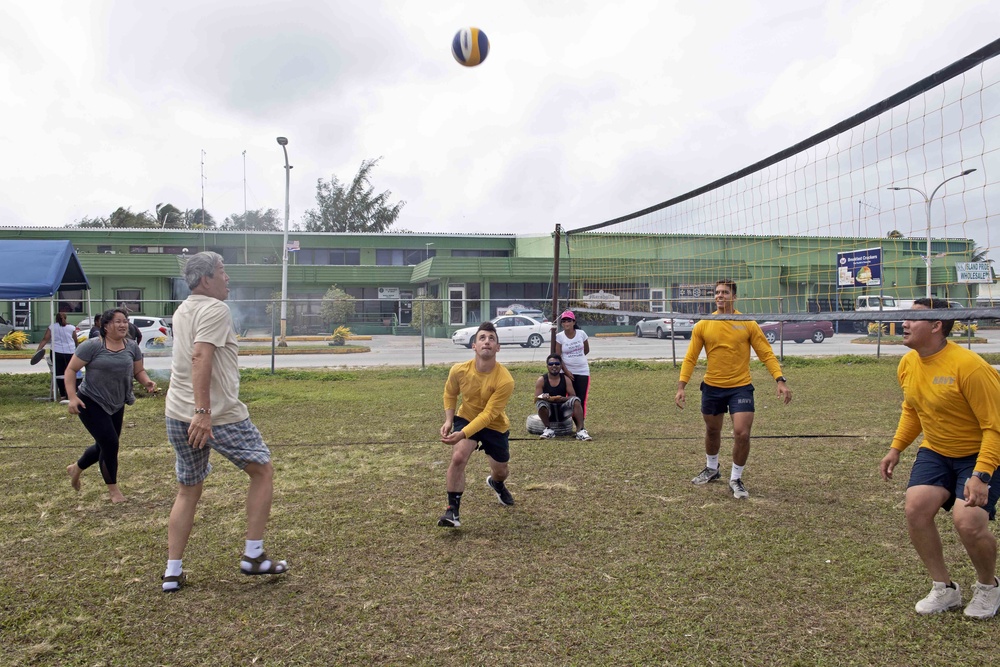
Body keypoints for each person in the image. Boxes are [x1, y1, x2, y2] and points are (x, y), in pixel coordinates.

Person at [161, 252, 288, 592]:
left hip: (176, 412)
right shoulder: (215, 309)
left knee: (188, 490)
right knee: (262, 470)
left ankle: (173, 572)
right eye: (222, 271)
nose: (228, 277)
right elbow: (201, 355)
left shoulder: (183, 309)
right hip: (214, 415)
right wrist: (203, 413)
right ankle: (253, 555)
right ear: (205, 280)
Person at [878, 298, 1000, 619]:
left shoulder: (970, 367)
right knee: (915, 509)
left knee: (968, 522)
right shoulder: (908, 364)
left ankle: (988, 587)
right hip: (936, 450)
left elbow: (995, 426)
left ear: (937, 326)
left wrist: (981, 475)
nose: (904, 323)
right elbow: (912, 409)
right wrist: (896, 448)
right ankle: (944, 589)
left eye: (914, 319)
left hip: (979, 453)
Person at [675, 279, 791, 499]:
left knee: (742, 433)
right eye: (717, 292)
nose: (720, 296)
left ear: (734, 297)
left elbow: (765, 353)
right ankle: (712, 468)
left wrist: (780, 380)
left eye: (725, 292)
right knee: (712, 431)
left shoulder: (747, 323)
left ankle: (736, 478)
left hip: (740, 387)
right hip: (712, 387)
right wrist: (682, 386)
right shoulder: (703, 324)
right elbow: (691, 357)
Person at [63, 308, 156, 503]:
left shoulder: (132, 347)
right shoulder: (92, 346)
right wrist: (72, 397)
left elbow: (139, 371)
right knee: (111, 444)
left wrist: (146, 381)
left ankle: (76, 468)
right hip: (90, 401)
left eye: (125, 321)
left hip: (116, 402)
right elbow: (71, 370)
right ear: (105, 325)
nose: (123, 325)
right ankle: (114, 491)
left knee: (103, 445)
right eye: (118, 321)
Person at [438, 321, 516, 528]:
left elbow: (490, 414)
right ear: (474, 345)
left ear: (498, 347)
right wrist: (448, 420)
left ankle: (496, 483)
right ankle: (452, 511)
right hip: (467, 417)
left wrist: (462, 434)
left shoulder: (505, 380)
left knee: (501, 470)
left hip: (494, 425)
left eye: (492, 339)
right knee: (458, 457)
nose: (487, 342)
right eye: (482, 338)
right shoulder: (459, 370)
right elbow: (450, 394)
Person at [555, 310, 592, 441]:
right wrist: (566, 371)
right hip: (567, 372)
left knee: (581, 399)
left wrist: (578, 360)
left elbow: (586, 350)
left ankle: (581, 427)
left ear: (574, 322)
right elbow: (558, 355)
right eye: (564, 321)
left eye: (569, 320)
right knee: (570, 398)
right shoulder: (559, 337)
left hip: (582, 371)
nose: (566, 323)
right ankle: (569, 424)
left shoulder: (581, 334)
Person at [534, 354, 584, 439]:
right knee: (540, 403)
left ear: (561, 366)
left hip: (562, 410)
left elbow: (572, 396)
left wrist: (562, 399)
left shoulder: (566, 379)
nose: (554, 366)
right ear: (547, 366)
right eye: (551, 364)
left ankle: (580, 430)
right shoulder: (542, 380)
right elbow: (536, 398)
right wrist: (543, 396)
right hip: (548, 411)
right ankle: (548, 429)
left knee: (576, 400)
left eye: (557, 364)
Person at [34, 312, 79, 403]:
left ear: (56, 319)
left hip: (56, 352)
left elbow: (45, 339)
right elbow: (75, 340)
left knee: (59, 373)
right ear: (66, 318)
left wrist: (38, 350)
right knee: (71, 372)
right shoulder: (71, 327)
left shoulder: (52, 327)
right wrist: (77, 349)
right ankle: (71, 394)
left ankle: (62, 395)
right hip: (70, 352)